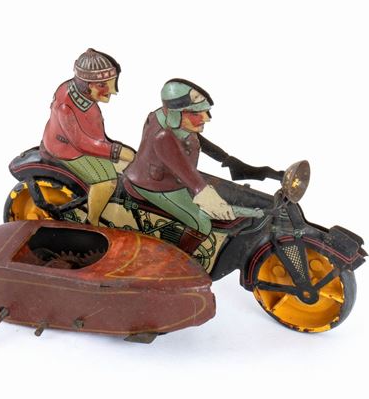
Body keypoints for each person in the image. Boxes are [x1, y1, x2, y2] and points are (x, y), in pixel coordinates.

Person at [124, 79, 235, 254]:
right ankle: (176, 261)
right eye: (196, 113)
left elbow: (196, 141)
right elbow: (190, 176)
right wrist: (209, 197)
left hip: (169, 176)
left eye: (205, 111)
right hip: (156, 185)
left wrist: (228, 160)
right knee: (202, 224)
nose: (206, 118)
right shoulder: (163, 136)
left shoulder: (168, 118)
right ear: (175, 114)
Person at [40, 48, 135, 225]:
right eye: (103, 85)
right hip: (67, 149)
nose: (113, 90)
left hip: (84, 144)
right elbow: (81, 143)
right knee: (106, 182)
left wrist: (112, 150)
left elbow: (93, 135)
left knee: (126, 167)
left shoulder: (83, 98)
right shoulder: (65, 105)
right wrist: (116, 151)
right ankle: (92, 221)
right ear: (88, 84)